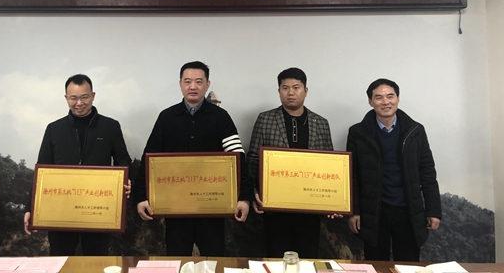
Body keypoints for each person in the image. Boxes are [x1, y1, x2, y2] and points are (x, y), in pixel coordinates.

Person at [134, 61, 254, 256]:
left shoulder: (221, 117)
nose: (193, 86)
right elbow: (149, 159)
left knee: (214, 261)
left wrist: (245, 197)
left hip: (212, 207)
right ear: (180, 84)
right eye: (187, 81)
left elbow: (237, 158)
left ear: (207, 84)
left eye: (199, 81)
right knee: (177, 259)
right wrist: (141, 197)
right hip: (176, 207)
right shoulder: (167, 117)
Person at [23, 74, 132, 256]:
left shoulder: (110, 126)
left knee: (97, 259)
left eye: (84, 97)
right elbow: (42, 171)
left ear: (93, 96)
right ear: (66, 98)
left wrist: (126, 180)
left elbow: (123, 158)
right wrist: (30, 207)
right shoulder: (54, 129)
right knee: (60, 258)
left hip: (97, 207)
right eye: (73, 98)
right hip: (61, 207)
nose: (79, 103)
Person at [347, 78, 441, 261]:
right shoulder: (358, 132)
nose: (385, 102)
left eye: (390, 96)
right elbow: (353, 175)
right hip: (374, 211)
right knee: (375, 264)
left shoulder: (415, 131)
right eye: (379, 97)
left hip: (408, 210)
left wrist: (433, 210)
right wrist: (354, 211)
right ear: (370, 102)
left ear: (398, 99)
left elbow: (427, 172)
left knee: (408, 264)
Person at [246, 67, 333, 258]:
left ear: (305, 91)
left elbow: (330, 163)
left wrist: (333, 201)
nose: (290, 92)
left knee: (308, 259)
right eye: (285, 88)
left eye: (296, 87)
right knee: (276, 258)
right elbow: (253, 159)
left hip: (310, 207)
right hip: (275, 206)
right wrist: (254, 192)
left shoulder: (321, 123)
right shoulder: (265, 119)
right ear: (279, 91)